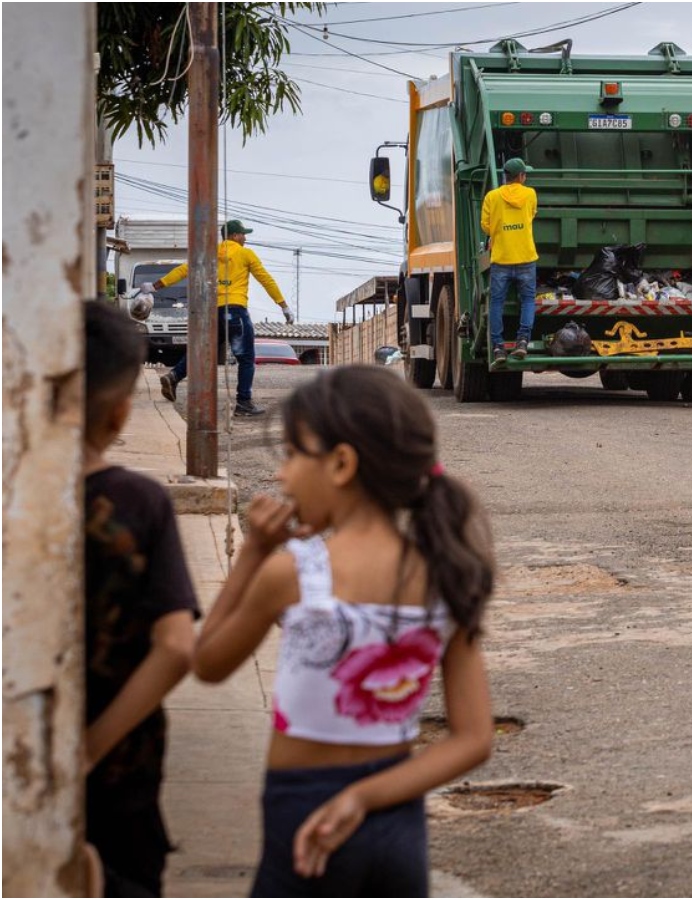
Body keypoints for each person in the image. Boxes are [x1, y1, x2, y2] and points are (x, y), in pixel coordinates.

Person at [192, 365, 496, 896]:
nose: (283, 476)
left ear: (340, 463)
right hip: (397, 825)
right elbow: (473, 739)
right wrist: (364, 797)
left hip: (302, 819)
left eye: (291, 456)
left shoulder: (295, 574)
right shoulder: (447, 574)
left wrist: (254, 556)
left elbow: (208, 662)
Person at [82, 301, 200, 896]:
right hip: (119, 771)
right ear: (122, 409)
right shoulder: (137, 503)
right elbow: (178, 647)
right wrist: (88, 750)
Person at [152, 219, 292, 417]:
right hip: (235, 312)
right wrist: (283, 305)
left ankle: (174, 375)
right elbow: (266, 279)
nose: (245, 238)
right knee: (246, 359)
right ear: (235, 235)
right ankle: (243, 402)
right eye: (243, 234)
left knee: (202, 352)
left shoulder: (210, 253)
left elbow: (185, 269)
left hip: (213, 312)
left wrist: (157, 285)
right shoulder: (245, 254)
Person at [480, 157, 538, 361]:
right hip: (526, 257)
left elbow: (485, 227)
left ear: (505, 176)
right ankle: (523, 340)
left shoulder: (491, 197)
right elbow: (531, 215)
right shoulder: (530, 194)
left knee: (496, 303)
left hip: (501, 259)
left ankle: (498, 347)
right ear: (521, 176)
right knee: (528, 300)